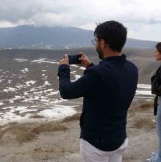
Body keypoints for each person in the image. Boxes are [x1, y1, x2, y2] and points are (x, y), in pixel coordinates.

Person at [57, 20, 138, 162]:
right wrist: (90, 66)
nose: (95, 44)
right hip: (119, 138)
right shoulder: (132, 68)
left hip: (96, 143)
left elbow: (66, 91)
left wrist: (63, 69)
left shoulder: (98, 74)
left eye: (95, 40)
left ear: (103, 43)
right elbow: (109, 80)